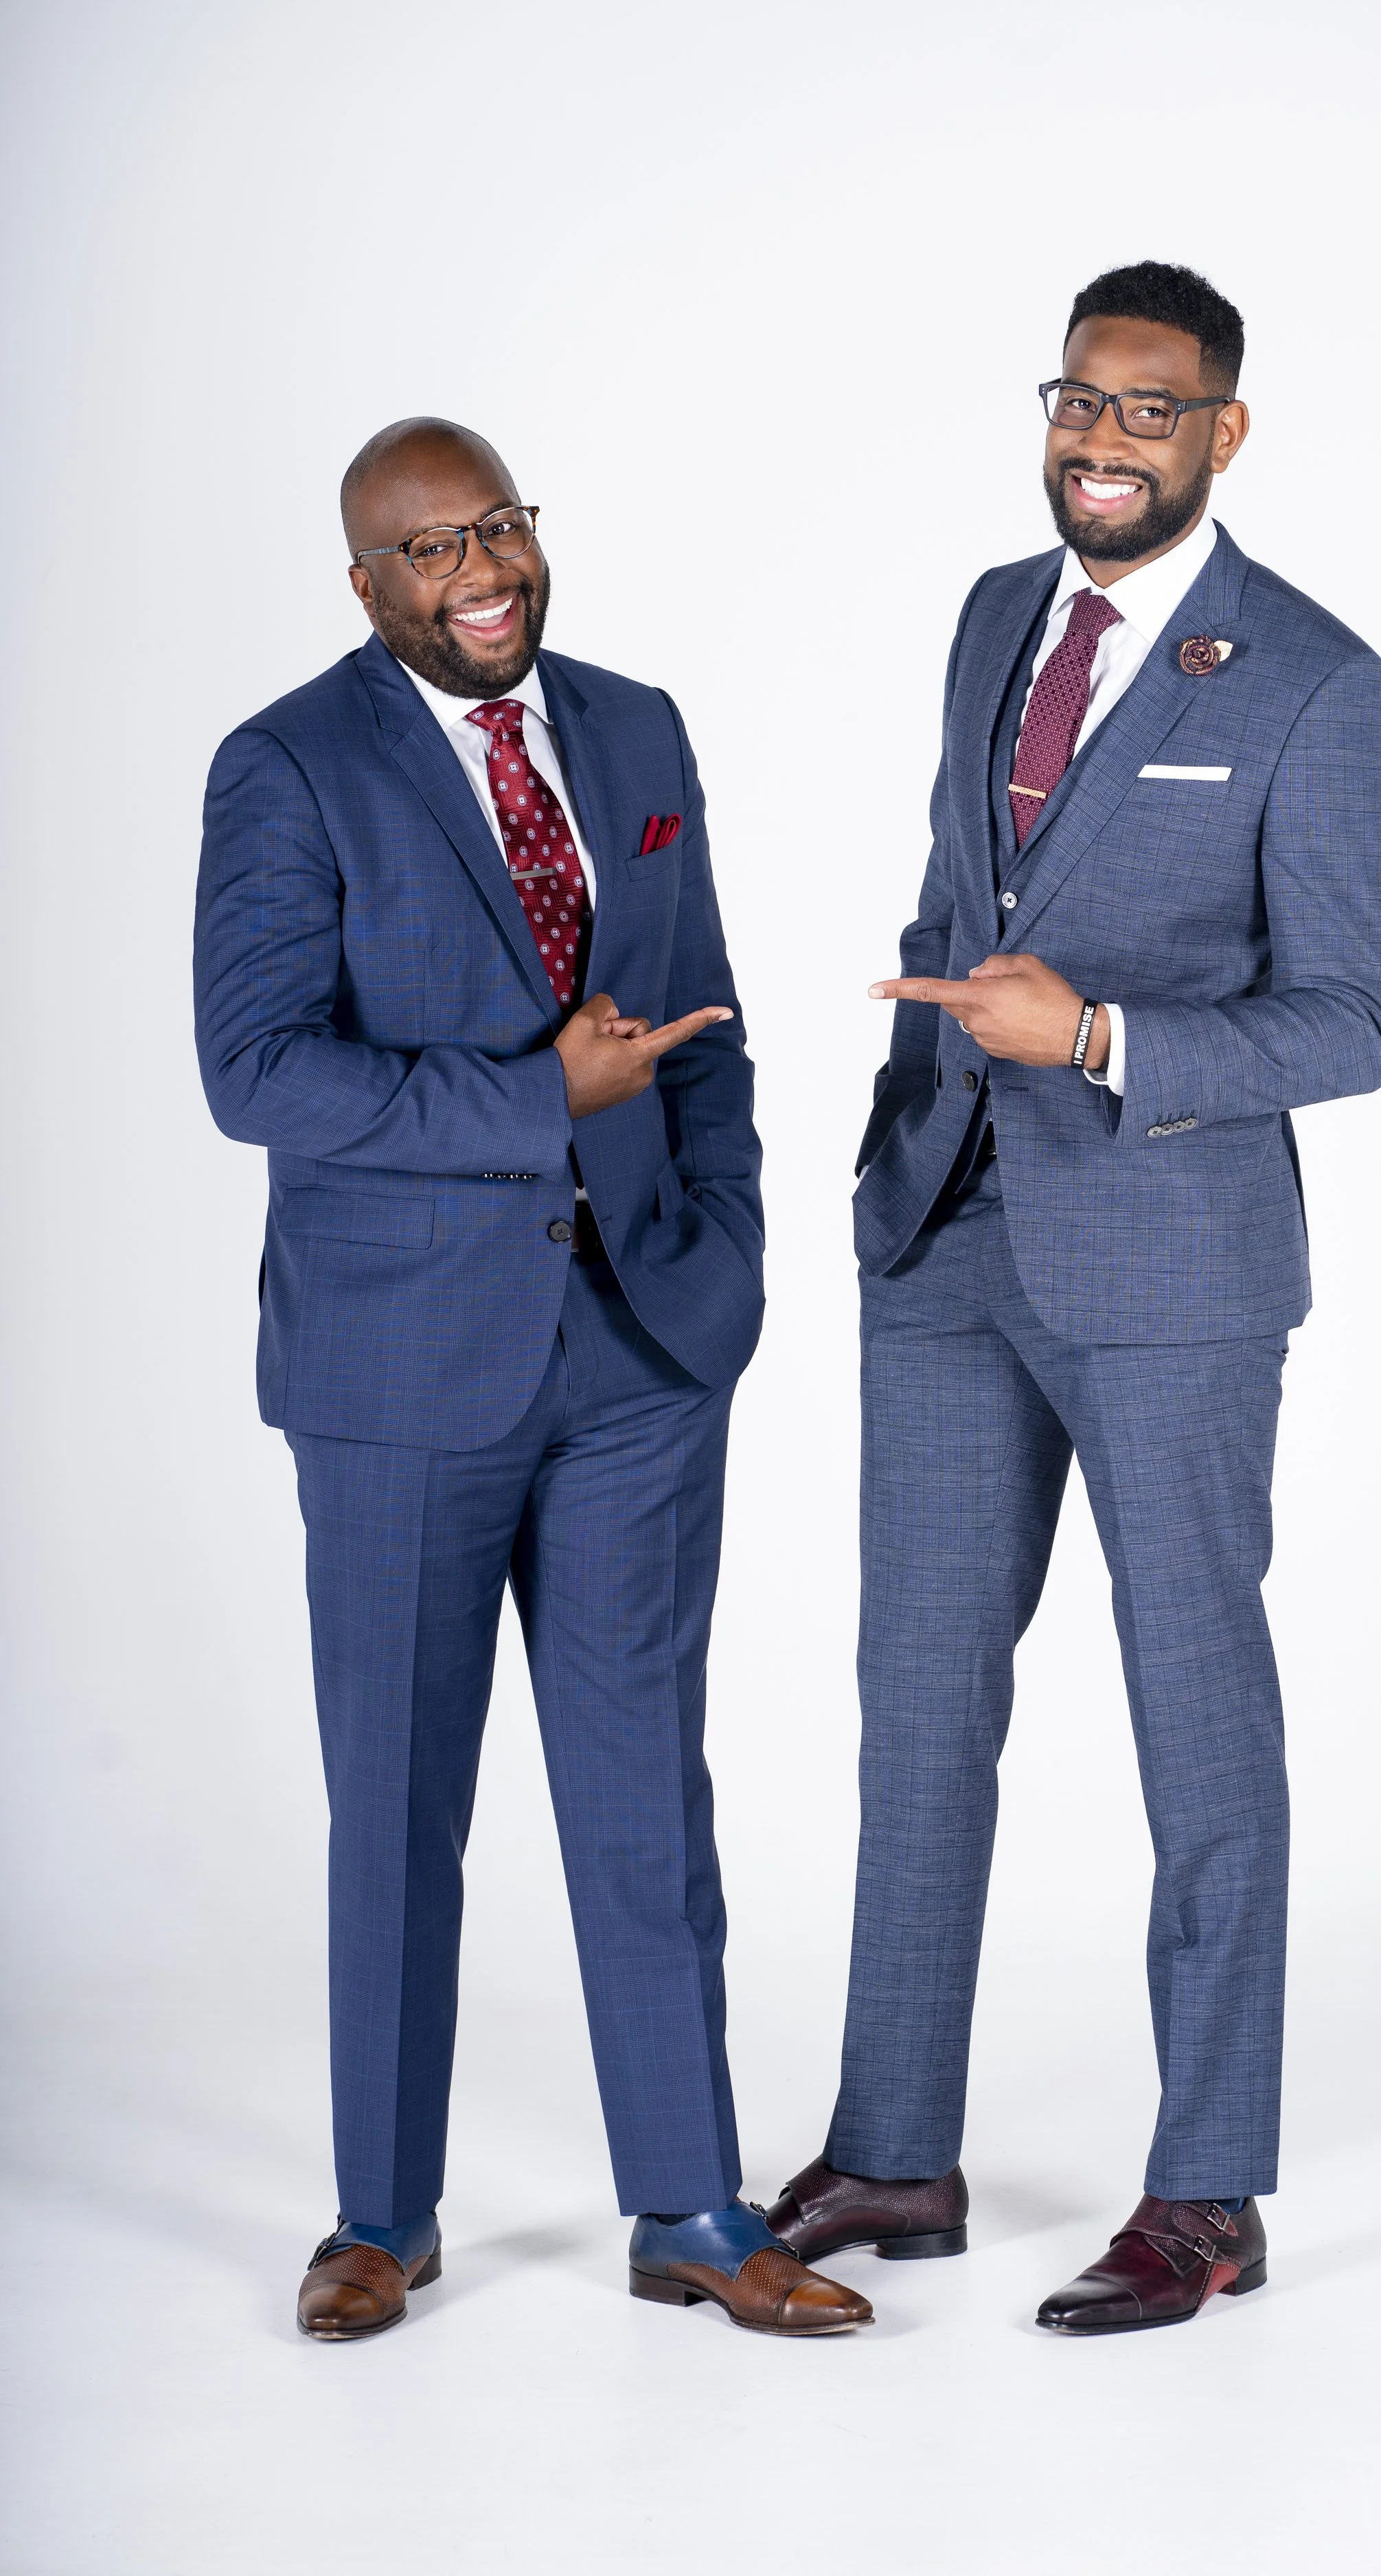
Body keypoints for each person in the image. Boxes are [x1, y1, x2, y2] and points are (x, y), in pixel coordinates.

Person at [766, 264, 1381, 2332]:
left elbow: (1354, 1017)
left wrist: (1105, 1034)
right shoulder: (987, 614)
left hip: (1170, 1263)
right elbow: (959, 898)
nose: (1099, 442)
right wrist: (897, 1134)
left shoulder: (1309, 679)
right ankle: (895, 2143)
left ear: (1224, 431)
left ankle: (1206, 2187)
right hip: (947, 1239)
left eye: (1147, 411)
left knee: (1191, 1709)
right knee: (918, 1702)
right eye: (1075, 401)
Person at [194, 417, 870, 2340]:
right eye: (424, 548)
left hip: (642, 1353)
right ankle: (378, 2216)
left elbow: (706, 1016)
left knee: (643, 1790)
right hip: (400, 1366)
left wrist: (721, 1258)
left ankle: (686, 2203)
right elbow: (258, 1073)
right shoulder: (289, 768)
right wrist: (527, 1103)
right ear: (367, 583)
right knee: (400, 1799)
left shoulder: (637, 730)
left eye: (494, 528)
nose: (472, 570)